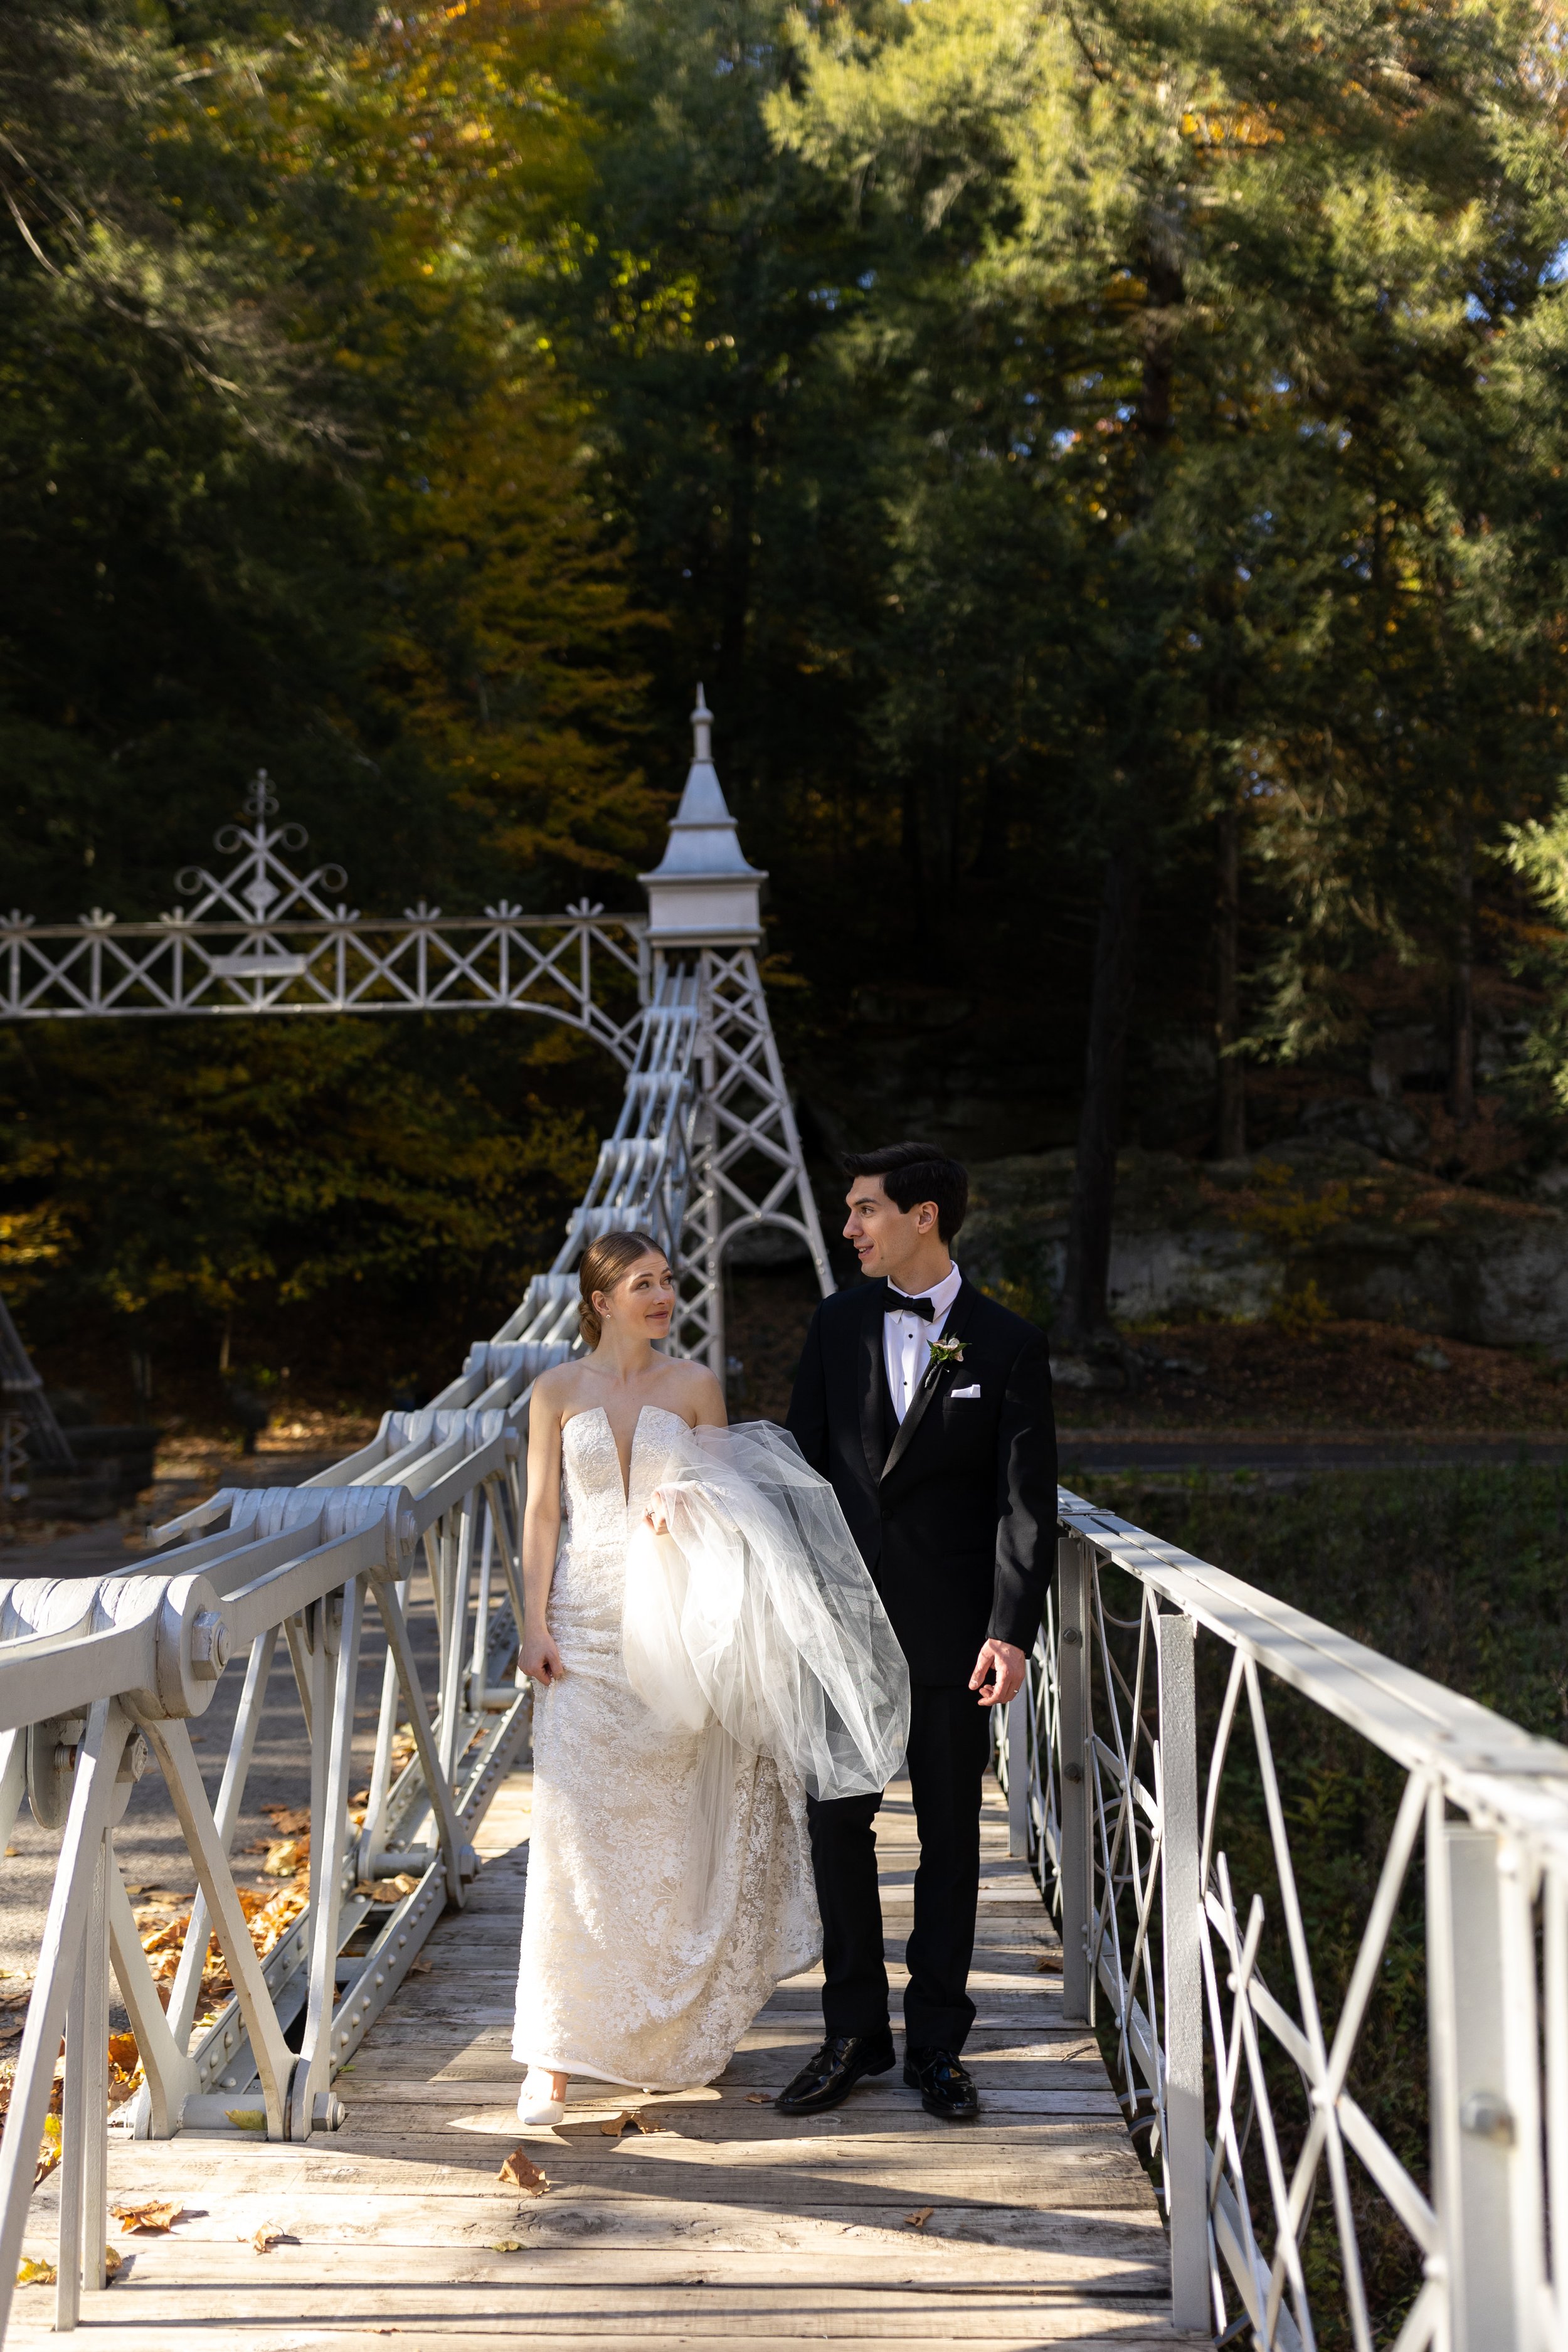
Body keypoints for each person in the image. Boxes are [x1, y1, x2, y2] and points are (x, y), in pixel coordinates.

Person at [511, 1229, 908, 2125]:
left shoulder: (693, 1387)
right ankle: (553, 2055)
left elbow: (736, 1511)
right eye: (643, 1283)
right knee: (571, 1837)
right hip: (580, 1628)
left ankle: (658, 2025)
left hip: (671, 1624)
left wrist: (686, 1500)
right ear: (600, 1298)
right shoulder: (552, 1392)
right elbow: (541, 1512)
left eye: (669, 1280)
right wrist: (530, 1621)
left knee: (665, 1836)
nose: (663, 1295)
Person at [781, 1142, 1056, 2122]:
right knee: (835, 1828)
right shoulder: (837, 1323)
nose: (849, 1227)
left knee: (951, 1840)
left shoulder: (1009, 1343)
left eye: (864, 1210)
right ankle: (852, 2032)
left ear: (923, 1215)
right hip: (843, 1632)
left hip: (954, 1636)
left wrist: (1010, 1630)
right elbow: (798, 1476)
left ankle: (938, 2044)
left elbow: (1026, 1506)